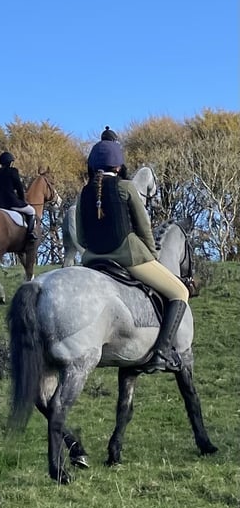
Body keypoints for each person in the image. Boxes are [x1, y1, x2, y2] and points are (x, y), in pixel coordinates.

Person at [75, 139, 189, 373]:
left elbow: (82, 237)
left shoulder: (83, 193)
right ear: (118, 166)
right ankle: (162, 351)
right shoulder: (126, 187)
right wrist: (152, 255)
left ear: (92, 166)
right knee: (180, 292)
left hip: (92, 260)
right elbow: (144, 228)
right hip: (129, 257)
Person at [0, 151, 37, 241]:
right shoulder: (13, 171)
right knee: (31, 211)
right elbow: (19, 187)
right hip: (10, 202)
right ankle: (30, 233)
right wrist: (22, 199)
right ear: (10, 162)